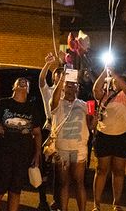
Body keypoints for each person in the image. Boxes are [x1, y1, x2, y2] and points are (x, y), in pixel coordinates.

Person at [0, 77, 43, 211]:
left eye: (25, 83)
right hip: (3, 152)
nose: (22, 83)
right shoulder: (2, 103)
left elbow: (37, 133)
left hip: (22, 155)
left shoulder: (32, 108)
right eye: (19, 82)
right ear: (13, 87)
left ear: (28, 89)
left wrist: (37, 153)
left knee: (15, 190)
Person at [91, 65, 126, 211]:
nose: (116, 84)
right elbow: (95, 90)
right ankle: (96, 204)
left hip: (122, 136)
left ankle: (117, 203)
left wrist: (115, 74)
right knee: (101, 169)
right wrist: (105, 71)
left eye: (119, 82)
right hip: (104, 135)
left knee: (119, 170)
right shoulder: (105, 95)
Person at [50, 68, 91, 211]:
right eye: (68, 84)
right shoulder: (57, 103)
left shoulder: (84, 105)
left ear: (78, 88)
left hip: (79, 148)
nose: (70, 86)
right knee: (64, 183)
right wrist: (62, 79)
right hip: (62, 149)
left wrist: (96, 119)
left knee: (79, 182)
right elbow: (53, 102)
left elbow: (91, 125)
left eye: (73, 84)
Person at [39, 52, 64, 211]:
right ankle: (42, 199)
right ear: (54, 77)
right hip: (49, 130)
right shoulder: (49, 91)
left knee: (59, 169)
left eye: (63, 74)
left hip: (63, 130)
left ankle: (57, 200)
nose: (61, 77)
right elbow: (41, 81)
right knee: (44, 167)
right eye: (58, 74)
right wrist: (48, 64)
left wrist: (66, 62)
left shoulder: (68, 92)